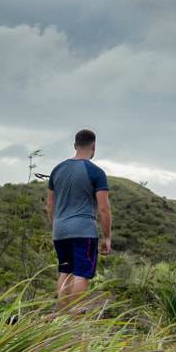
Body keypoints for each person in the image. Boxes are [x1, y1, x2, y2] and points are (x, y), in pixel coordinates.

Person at [46, 128, 111, 305]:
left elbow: (50, 204)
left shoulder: (57, 170)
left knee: (65, 272)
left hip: (60, 231)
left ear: (75, 145)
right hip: (83, 231)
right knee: (81, 274)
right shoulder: (96, 172)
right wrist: (107, 236)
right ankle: (76, 319)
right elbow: (104, 208)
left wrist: (56, 226)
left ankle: (63, 318)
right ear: (94, 146)